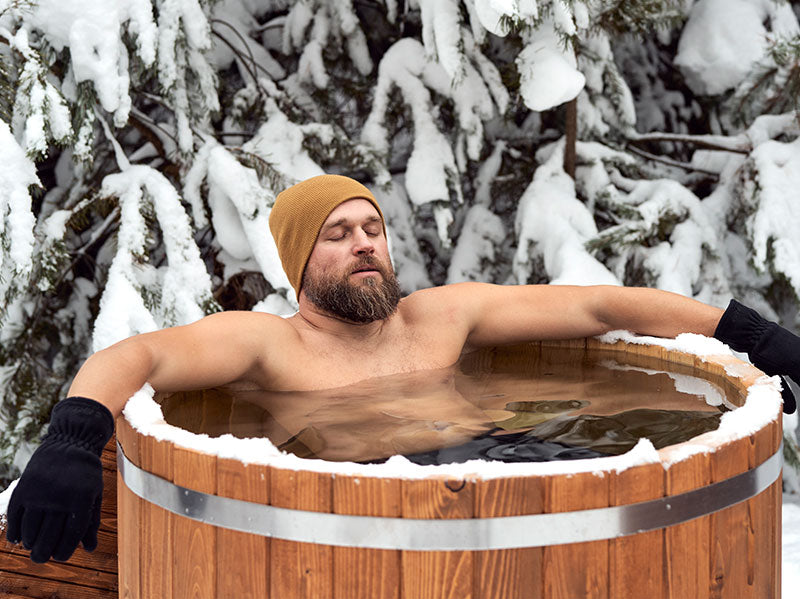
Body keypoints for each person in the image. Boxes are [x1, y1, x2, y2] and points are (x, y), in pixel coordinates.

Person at [5, 174, 799, 563]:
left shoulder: (441, 317)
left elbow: (597, 308)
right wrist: (72, 439)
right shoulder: (269, 345)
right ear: (298, 263)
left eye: (372, 228)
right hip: (377, 512)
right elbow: (139, 354)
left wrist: (747, 334)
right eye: (337, 234)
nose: (364, 244)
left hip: (520, 459)